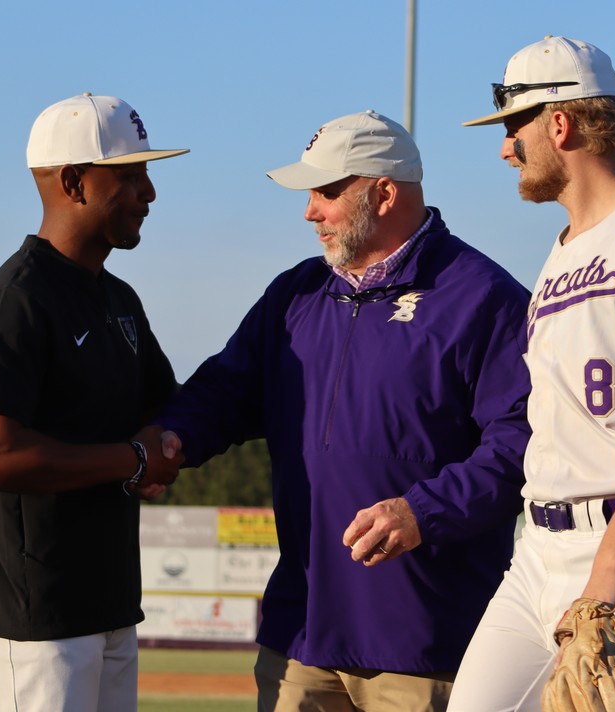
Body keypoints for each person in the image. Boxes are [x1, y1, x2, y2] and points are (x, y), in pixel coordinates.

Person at [157, 110, 532, 711]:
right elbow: (227, 391)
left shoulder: (484, 298)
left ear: (385, 193)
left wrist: (422, 511)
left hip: (428, 642)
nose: (310, 211)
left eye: (328, 191)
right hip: (300, 636)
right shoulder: (296, 293)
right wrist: (171, 438)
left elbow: (523, 445)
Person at [449, 37, 615, 711]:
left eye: (515, 127)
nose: (506, 147)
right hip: (537, 549)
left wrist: (609, 566)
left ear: (560, 124)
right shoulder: (562, 256)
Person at [0, 93, 188, 712]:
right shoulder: (13, 301)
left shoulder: (117, 299)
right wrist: (132, 459)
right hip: (27, 617)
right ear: (74, 182)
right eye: (130, 175)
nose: (149, 192)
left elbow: (167, 410)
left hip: (103, 603)